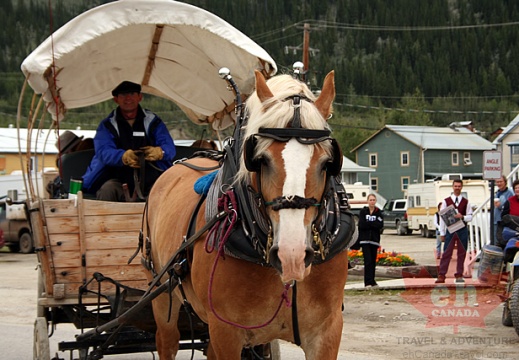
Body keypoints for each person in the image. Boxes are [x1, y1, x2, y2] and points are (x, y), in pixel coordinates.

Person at [82, 81, 176, 201]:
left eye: (132, 94)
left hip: (152, 180)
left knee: (166, 192)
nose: (128, 98)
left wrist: (159, 152)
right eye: (123, 95)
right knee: (107, 190)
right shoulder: (107, 125)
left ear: (140, 97)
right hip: (118, 180)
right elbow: (103, 151)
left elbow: (169, 148)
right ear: (116, 99)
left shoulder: (153, 121)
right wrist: (123, 157)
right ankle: (104, 220)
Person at [436, 179, 473, 284]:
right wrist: (442, 232)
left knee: (462, 253)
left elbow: (470, 216)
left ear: (462, 187)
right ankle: (442, 275)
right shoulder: (446, 201)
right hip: (451, 230)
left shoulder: (466, 202)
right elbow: (442, 218)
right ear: (452, 187)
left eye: (459, 186)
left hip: (462, 230)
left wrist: (463, 217)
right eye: (455, 186)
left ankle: (459, 274)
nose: (457, 188)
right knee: (447, 252)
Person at [358, 193, 384, 288]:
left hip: (374, 240)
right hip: (365, 240)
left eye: (373, 200)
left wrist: (370, 223)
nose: (372, 201)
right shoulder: (363, 212)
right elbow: (362, 225)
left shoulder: (378, 212)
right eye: (370, 200)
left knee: (373, 261)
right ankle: (367, 282)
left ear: (375, 201)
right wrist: (372, 223)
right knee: (367, 261)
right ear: (367, 201)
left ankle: (372, 280)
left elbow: (380, 225)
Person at [493, 175, 514, 243]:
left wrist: (500, 206)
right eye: (497, 182)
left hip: (504, 222)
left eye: (501, 181)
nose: (499, 183)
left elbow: (511, 207)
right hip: (496, 220)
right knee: (495, 240)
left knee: (502, 241)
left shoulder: (510, 193)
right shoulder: (497, 192)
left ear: (505, 182)